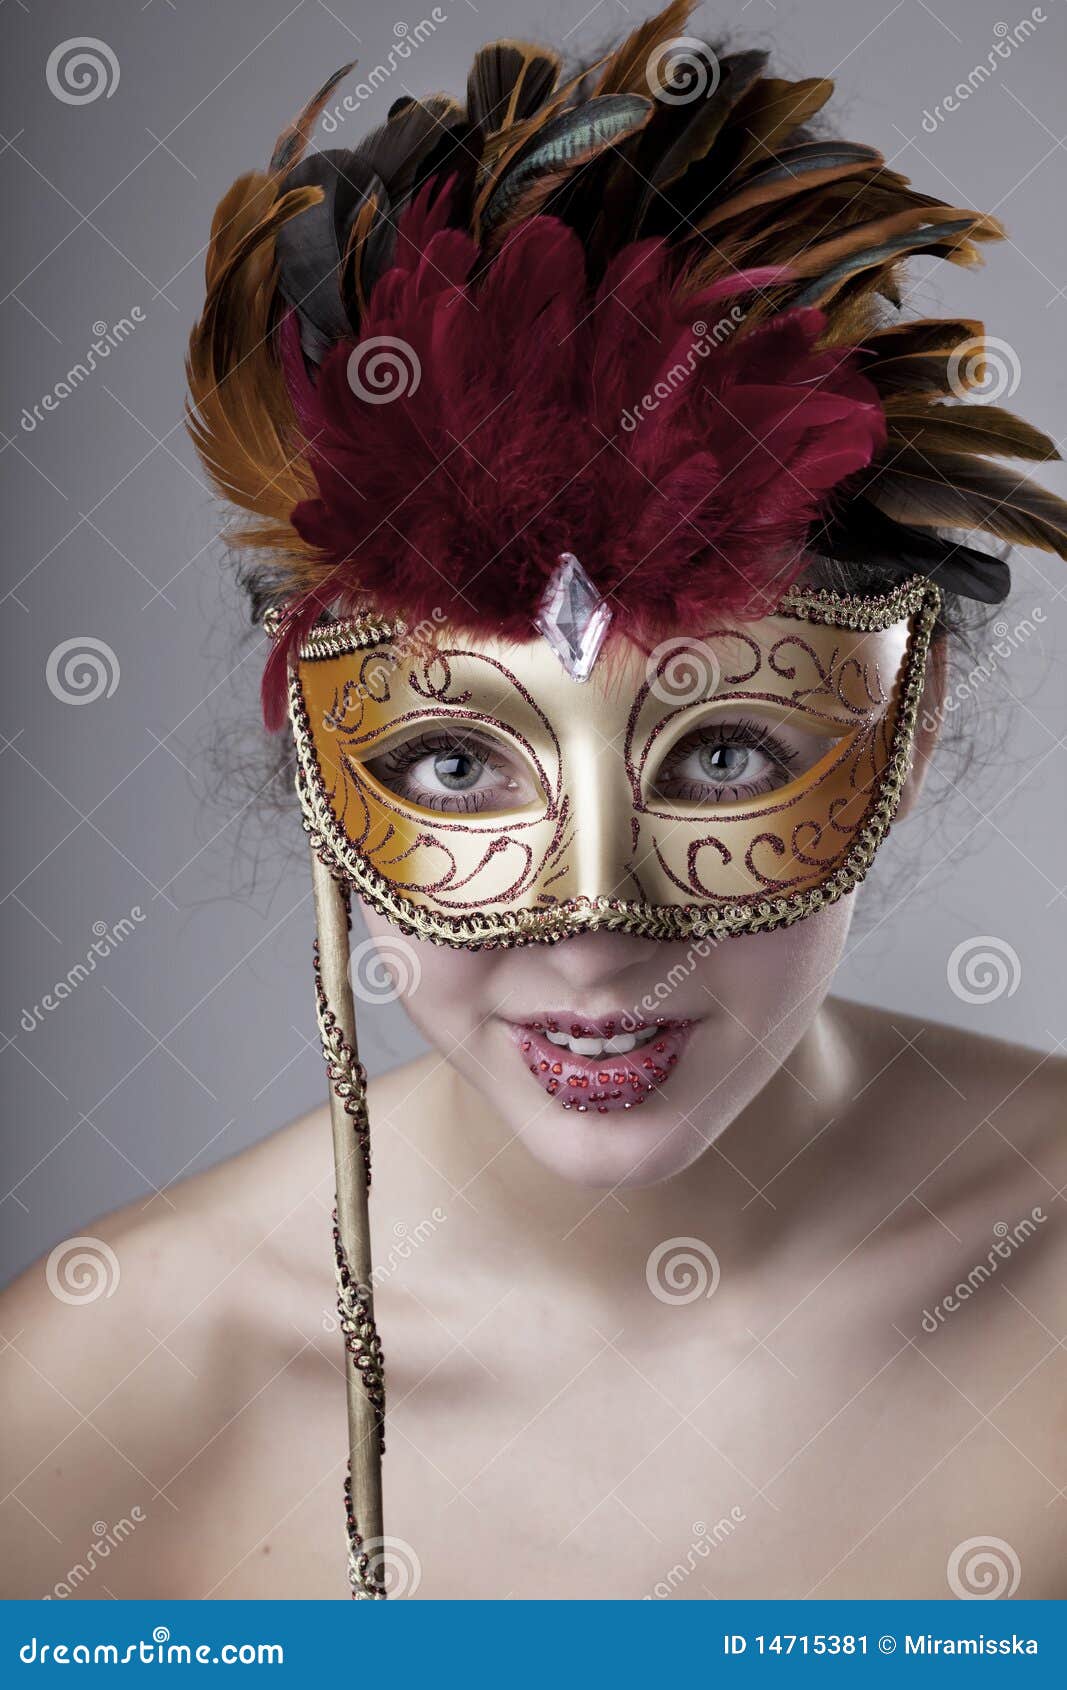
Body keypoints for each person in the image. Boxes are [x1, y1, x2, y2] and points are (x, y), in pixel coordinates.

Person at [3, 1, 1065, 1601]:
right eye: (451, 759)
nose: (593, 929)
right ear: (311, 748)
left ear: (903, 733)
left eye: (725, 752)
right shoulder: (100, 1395)